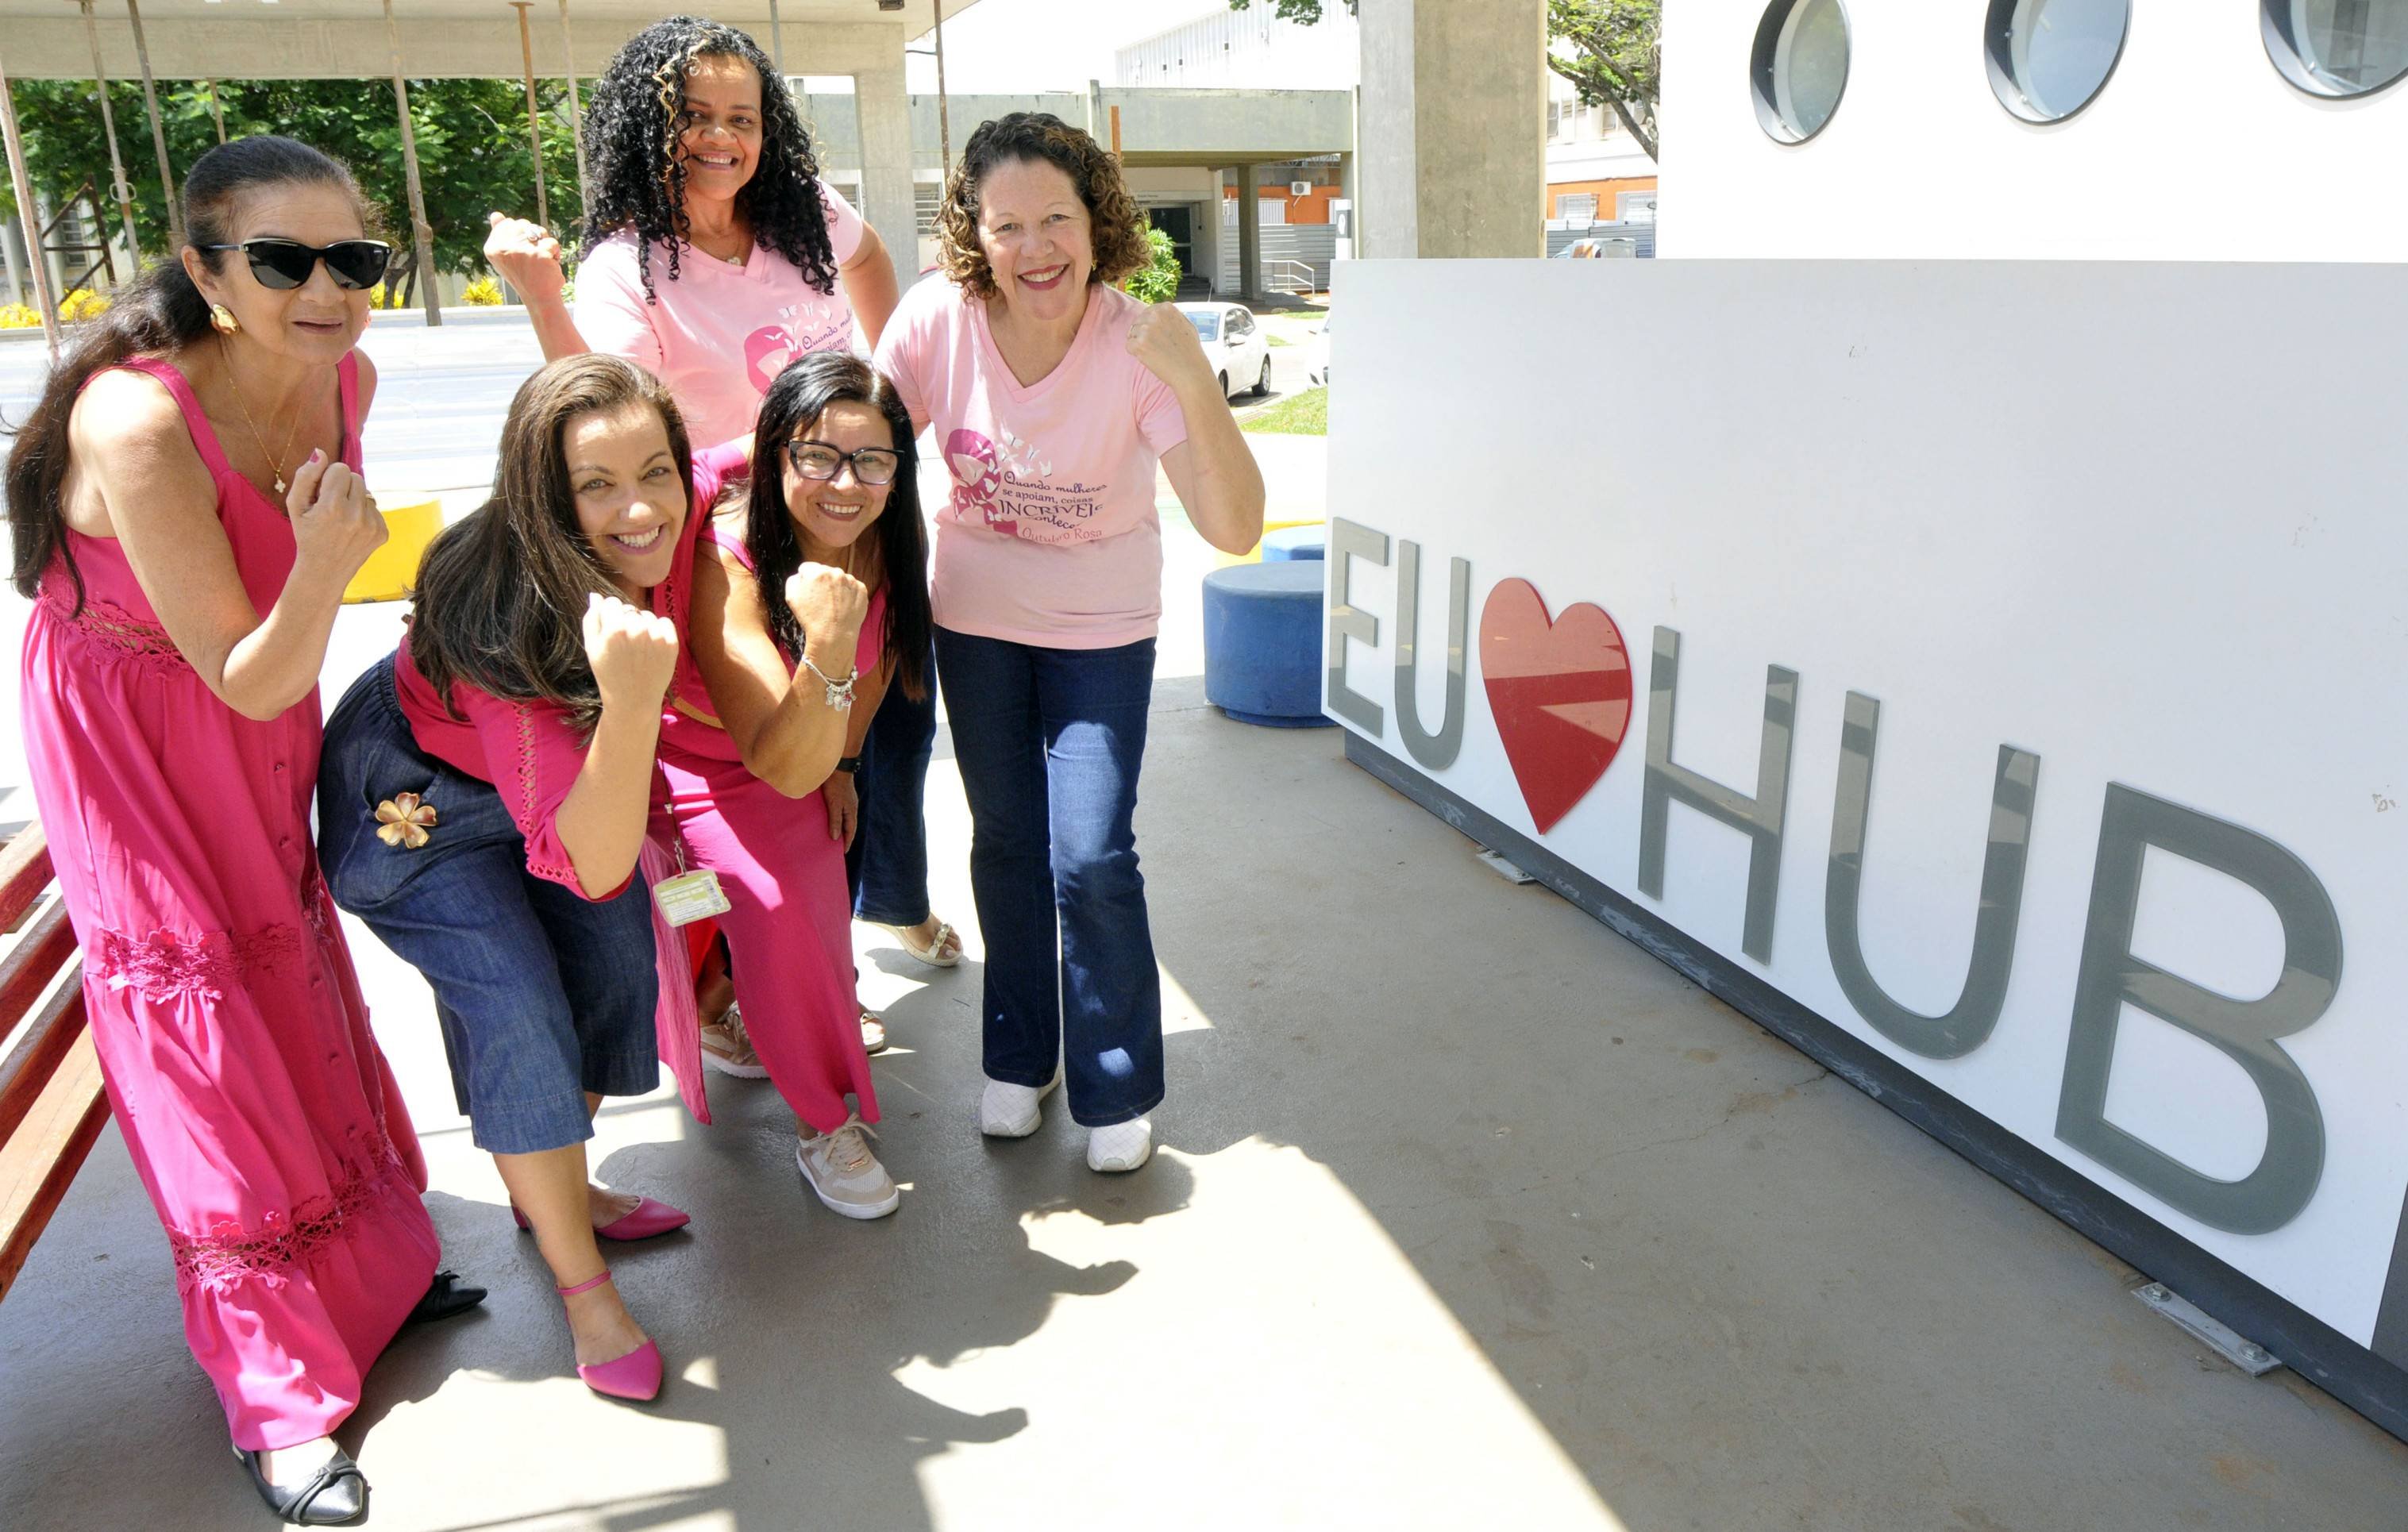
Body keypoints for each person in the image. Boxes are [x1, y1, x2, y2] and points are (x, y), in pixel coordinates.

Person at [5, 136, 475, 1526]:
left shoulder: (351, 375)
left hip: (253, 700)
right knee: (197, 1022)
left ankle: (371, 1277)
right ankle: (274, 1396)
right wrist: (333, 563)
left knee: (293, 972)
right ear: (207, 268)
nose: (326, 288)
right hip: (139, 735)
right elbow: (251, 661)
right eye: (282, 259)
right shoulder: (135, 422)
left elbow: (272, 666)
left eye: (355, 259)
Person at [482, 12, 956, 1064]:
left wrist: (885, 399)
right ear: (645, 127)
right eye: (693, 115)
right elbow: (601, 406)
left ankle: (840, 936)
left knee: (877, 739)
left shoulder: (806, 217)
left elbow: (874, 255)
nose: (721, 137)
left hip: (851, 517)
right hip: (734, 546)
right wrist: (546, 302)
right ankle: (731, 989)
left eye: (742, 116)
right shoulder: (627, 265)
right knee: (744, 770)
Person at [317, 356, 727, 1409]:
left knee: (613, 970)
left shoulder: (664, 521)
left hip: (529, 783)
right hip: (416, 809)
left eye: (657, 471)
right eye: (596, 485)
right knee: (519, 1007)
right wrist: (633, 699)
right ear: (544, 496)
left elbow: (751, 459)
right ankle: (585, 1291)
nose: (638, 508)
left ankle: (556, 1185)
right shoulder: (513, 614)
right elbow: (590, 860)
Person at [873, 113, 1266, 1173]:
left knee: (1089, 853)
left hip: (1102, 629)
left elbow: (1234, 526)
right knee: (1003, 840)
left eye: (1058, 218)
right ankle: (1021, 1054)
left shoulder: (1136, 342)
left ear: (1097, 223)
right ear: (974, 232)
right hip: (976, 622)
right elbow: (859, 447)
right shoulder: (934, 322)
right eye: (1009, 225)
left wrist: (1192, 379)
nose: (1036, 247)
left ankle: (1115, 1074)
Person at [659, 352, 915, 1218]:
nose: (845, 484)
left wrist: (845, 766)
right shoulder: (725, 556)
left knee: (813, 891)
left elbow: (880, 665)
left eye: (871, 460)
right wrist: (828, 646)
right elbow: (773, 759)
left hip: (807, 745)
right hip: (697, 765)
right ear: (776, 458)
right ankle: (805, 1098)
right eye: (817, 457)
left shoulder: (882, 533)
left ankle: (817, 1106)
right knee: (763, 903)